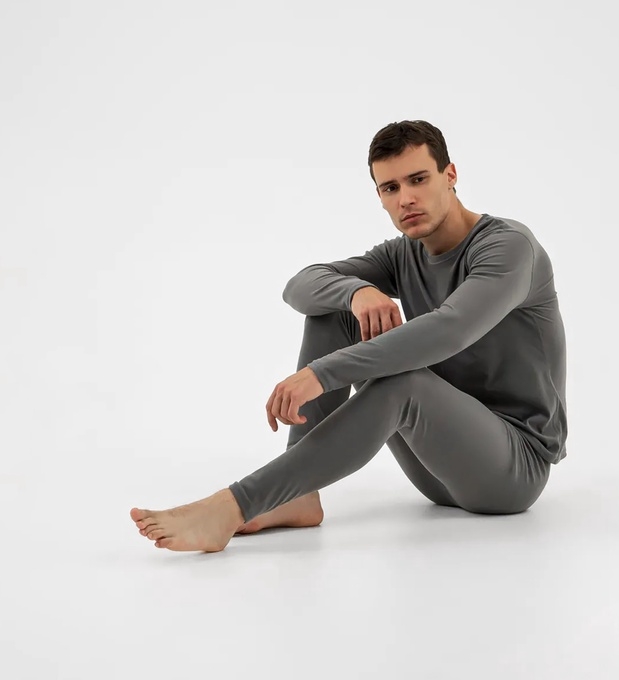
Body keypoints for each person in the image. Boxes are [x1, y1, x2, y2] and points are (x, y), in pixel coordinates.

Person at [130, 119, 568, 552]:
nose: (406, 198)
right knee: (335, 312)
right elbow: (300, 286)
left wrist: (322, 374)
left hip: (512, 471)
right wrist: (357, 292)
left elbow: (450, 329)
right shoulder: (402, 254)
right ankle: (297, 495)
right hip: (435, 468)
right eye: (390, 188)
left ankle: (234, 506)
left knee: (405, 383)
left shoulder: (508, 248)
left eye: (418, 179)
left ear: (450, 175)